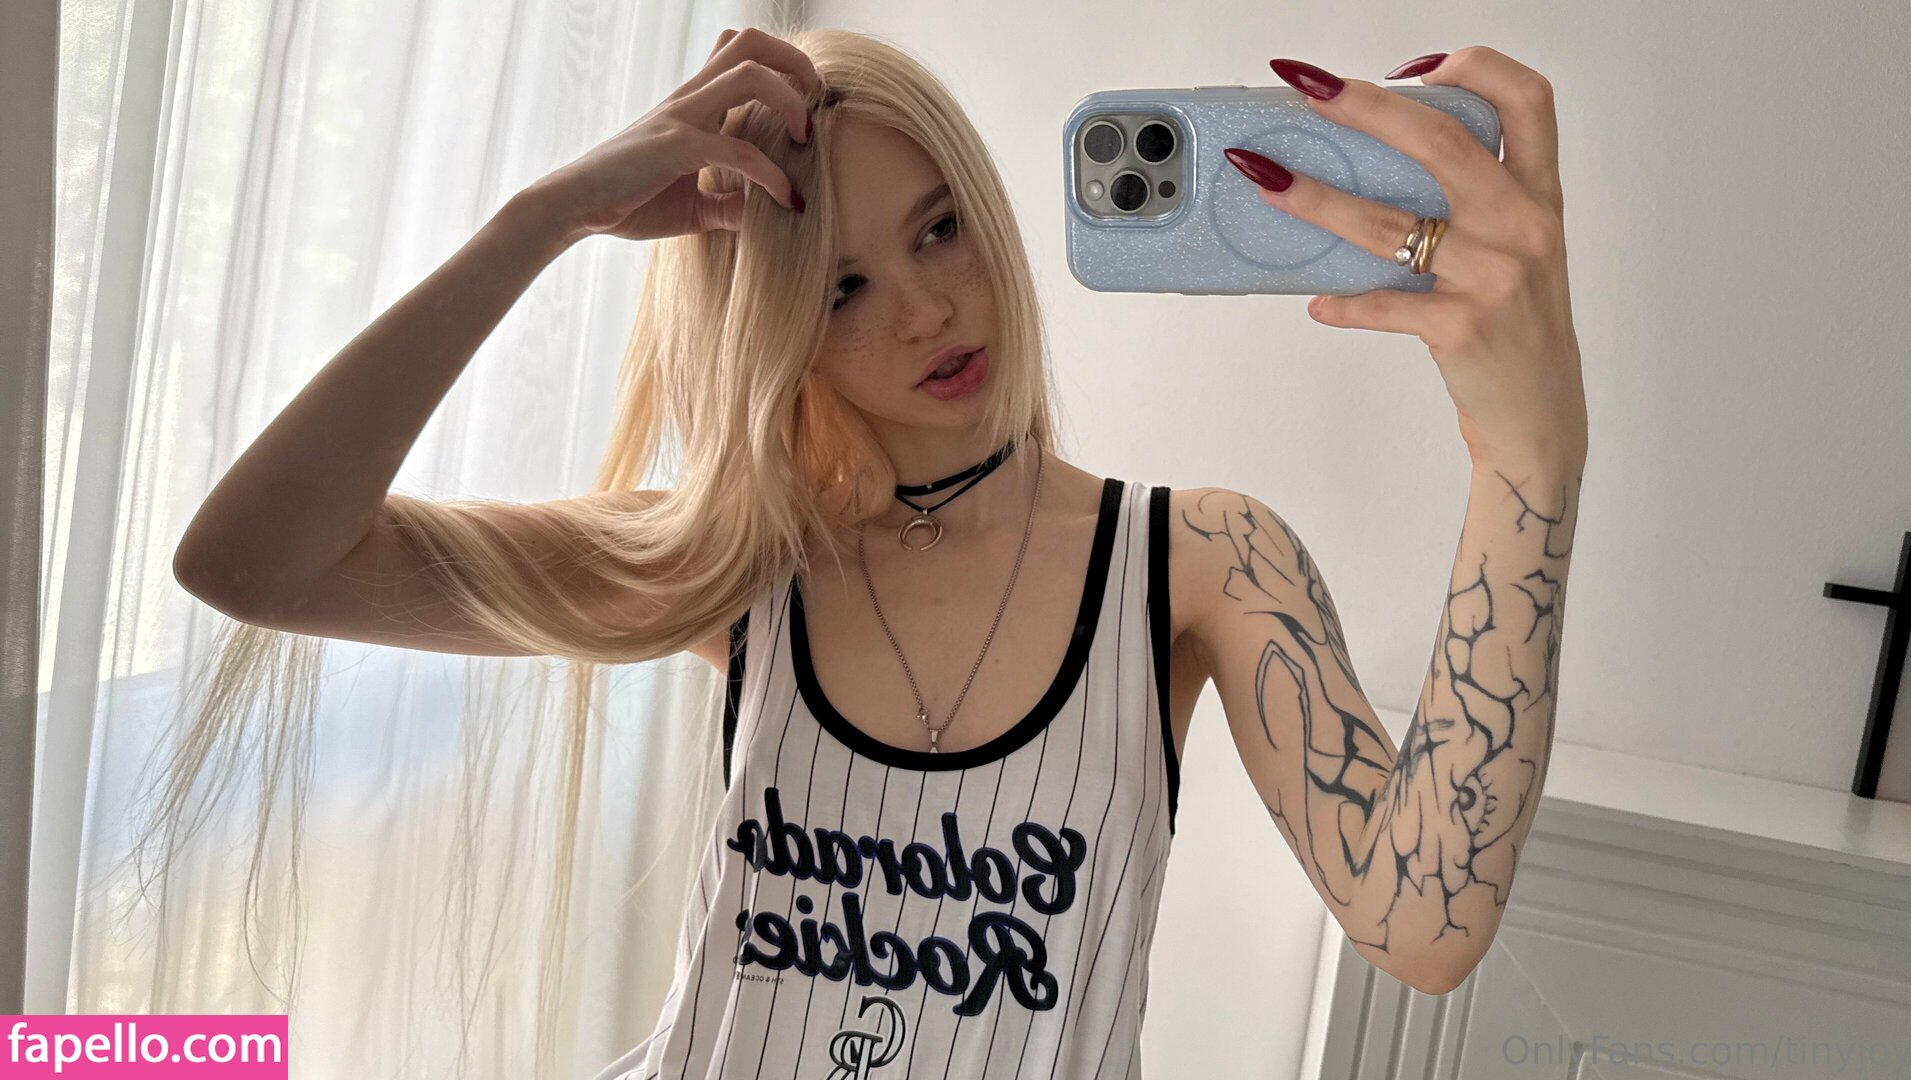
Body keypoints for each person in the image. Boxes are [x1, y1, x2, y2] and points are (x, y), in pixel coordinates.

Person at [167, 23, 1586, 1079]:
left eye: (941, 228)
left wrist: (1529, 459)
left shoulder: (1196, 560)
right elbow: (254, 561)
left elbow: (1422, 923)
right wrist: (543, 221)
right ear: (779, 324)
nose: (925, 309)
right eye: (842, 285)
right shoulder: (734, 565)